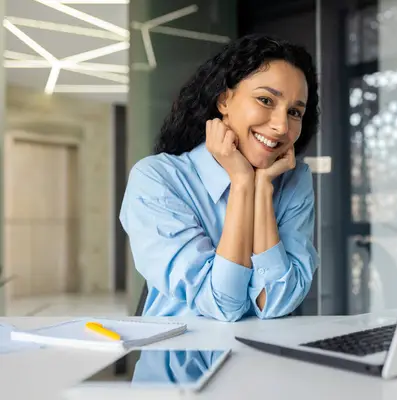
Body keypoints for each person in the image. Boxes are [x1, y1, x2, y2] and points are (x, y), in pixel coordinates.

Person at [119, 34, 320, 322]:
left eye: (294, 112)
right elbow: (222, 304)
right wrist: (241, 183)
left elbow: (276, 302)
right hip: (178, 360)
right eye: (265, 100)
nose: (280, 125)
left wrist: (262, 190)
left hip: (266, 363)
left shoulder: (292, 179)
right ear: (224, 100)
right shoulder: (156, 180)